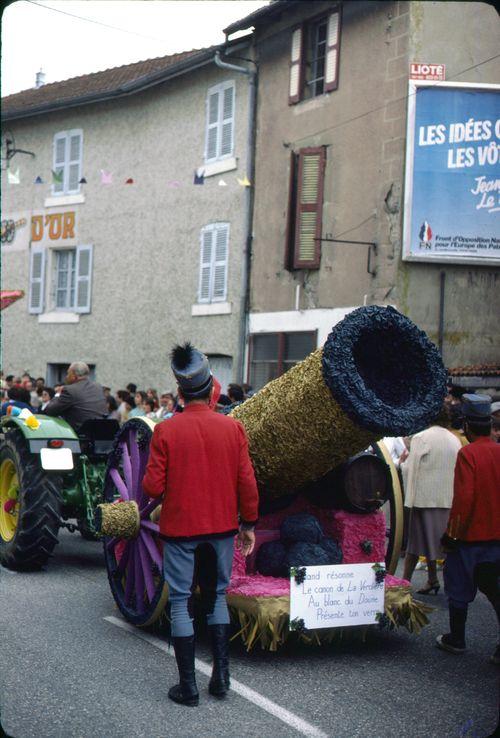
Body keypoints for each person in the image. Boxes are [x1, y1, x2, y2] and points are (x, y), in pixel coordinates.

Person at [142, 343, 258, 707]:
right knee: (217, 596)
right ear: (211, 389)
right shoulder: (233, 428)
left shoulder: (166, 431)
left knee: (180, 601)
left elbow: (152, 488)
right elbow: (247, 481)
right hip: (222, 528)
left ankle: (188, 687)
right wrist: (249, 523)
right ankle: (221, 677)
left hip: (181, 530)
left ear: (180, 392)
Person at [437, 394, 500, 662]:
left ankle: (457, 639)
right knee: (496, 590)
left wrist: (451, 535)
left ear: (467, 425)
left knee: (458, 587)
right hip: (497, 537)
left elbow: (464, 499)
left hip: (471, 535)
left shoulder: (468, 454)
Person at [401, 407, 461, 594]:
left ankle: (403, 583)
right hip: (447, 497)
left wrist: (402, 464)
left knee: (415, 544)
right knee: (441, 543)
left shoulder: (421, 437)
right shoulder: (454, 439)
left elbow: (411, 469)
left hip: (424, 498)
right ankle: (434, 579)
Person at [43, 362, 107, 432]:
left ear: (74, 376)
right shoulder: (98, 387)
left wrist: (58, 394)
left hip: (80, 435)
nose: (66, 377)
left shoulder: (69, 390)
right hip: (101, 432)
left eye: (68, 373)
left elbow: (50, 411)